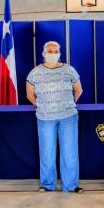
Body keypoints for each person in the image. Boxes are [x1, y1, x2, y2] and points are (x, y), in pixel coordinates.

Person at [26, 41, 83, 193]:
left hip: (68, 116)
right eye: (49, 51)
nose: (52, 53)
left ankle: (71, 185)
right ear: (43, 54)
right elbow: (30, 94)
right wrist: (41, 105)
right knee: (46, 151)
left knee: (70, 152)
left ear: (60, 53)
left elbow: (78, 90)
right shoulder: (35, 72)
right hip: (45, 117)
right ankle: (47, 184)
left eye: (55, 51)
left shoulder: (69, 70)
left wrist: (68, 103)